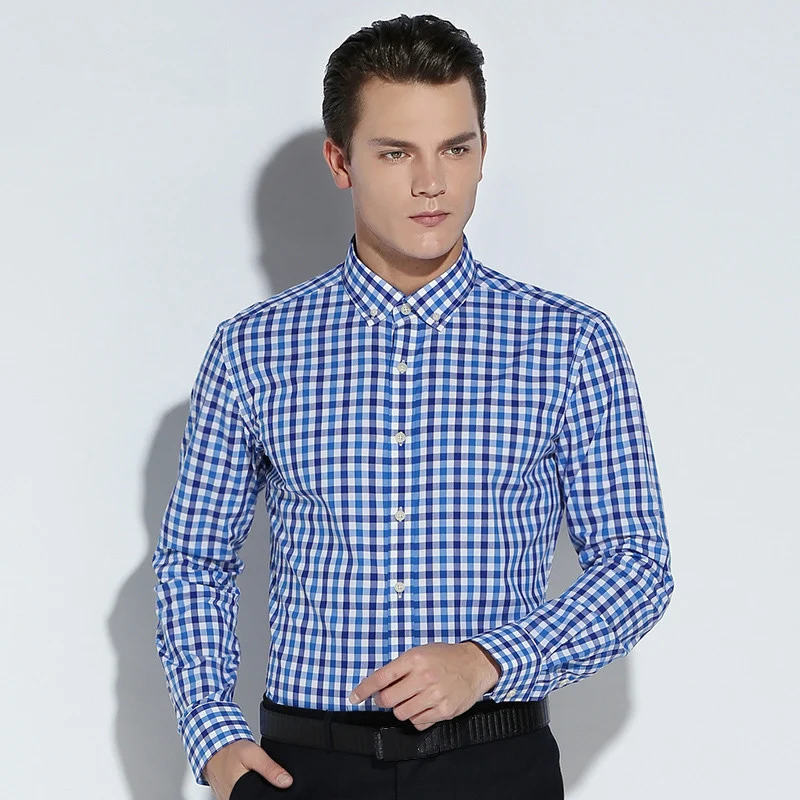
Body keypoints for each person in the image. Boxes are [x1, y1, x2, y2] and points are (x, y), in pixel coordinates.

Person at [152, 13, 674, 800]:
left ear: (483, 152)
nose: (432, 181)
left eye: (455, 149)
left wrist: (490, 660)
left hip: (494, 765)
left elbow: (637, 564)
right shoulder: (253, 348)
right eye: (396, 152)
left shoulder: (569, 343)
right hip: (306, 769)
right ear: (341, 161)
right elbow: (195, 560)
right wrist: (213, 735)